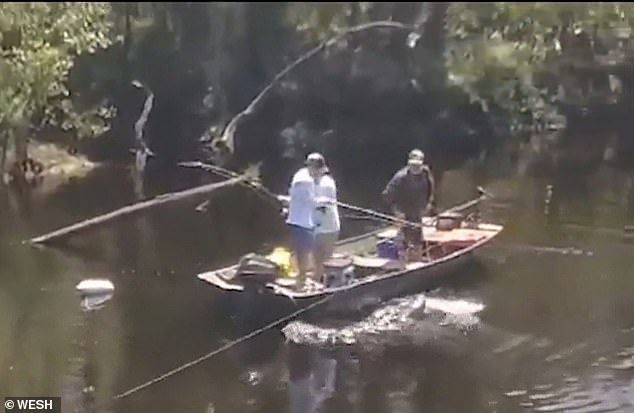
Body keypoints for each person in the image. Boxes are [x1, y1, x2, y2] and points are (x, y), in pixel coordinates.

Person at [283, 152, 330, 285]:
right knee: (303, 251)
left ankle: (302, 277)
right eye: (318, 171)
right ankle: (301, 280)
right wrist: (324, 201)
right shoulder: (305, 181)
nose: (319, 174)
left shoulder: (301, 174)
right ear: (314, 167)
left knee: (302, 250)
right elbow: (310, 201)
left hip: (300, 219)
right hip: (301, 221)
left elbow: (296, 197)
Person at [381, 149, 435, 260]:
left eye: (418, 165)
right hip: (404, 210)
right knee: (404, 236)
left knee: (417, 235)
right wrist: (397, 212)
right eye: (413, 165)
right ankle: (402, 259)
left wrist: (429, 203)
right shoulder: (400, 177)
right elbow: (387, 195)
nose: (416, 168)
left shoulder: (425, 172)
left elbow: (431, 188)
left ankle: (417, 258)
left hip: (418, 209)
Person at [312, 156, 340, 283]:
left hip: (329, 227)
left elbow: (323, 201)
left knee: (327, 261)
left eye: (314, 167)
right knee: (317, 262)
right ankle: (317, 283)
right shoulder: (307, 183)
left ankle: (328, 285)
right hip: (315, 227)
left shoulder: (327, 182)